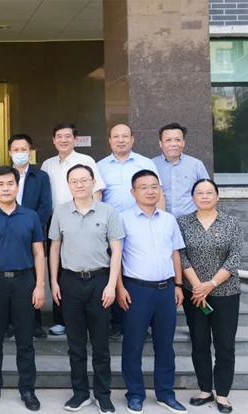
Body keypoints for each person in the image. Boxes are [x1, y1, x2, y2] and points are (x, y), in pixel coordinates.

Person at [48, 164, 123, 414]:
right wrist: (54, 281)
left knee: (101, 344)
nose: (79, 185)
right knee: (76, 344)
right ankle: (80, 394)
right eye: (74, 181)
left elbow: (116, 251)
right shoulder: (61, 212)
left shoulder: (108, 211)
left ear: (93, 182)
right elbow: (54, 249)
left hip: (100, 281)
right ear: (68, 185)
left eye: (84, 180)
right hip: (70, 281)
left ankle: (103, 395)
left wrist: (111, 285)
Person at [0, 166, 46, 412]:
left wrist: (40, 286)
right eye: (0, 184)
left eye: (10, 183)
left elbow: (39, 253)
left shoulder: (30, 216)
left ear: (17, 186)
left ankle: (27, 389)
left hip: (24, 282)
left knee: (25, 341)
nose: (5, 188)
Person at [116, 170, 187, 414]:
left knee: (165, 345)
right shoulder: (122, 219)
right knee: (133, 345)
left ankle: (166, 394)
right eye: (143, 187)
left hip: (166, 290)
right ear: (133, 191)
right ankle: (135, 394)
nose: (150, 191)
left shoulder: (169, 220)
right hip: (136, 290)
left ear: (160, 190)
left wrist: (178, 285)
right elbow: (116, 257)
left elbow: (175, 253)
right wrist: (119, 287)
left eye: (154, 186)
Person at [178, 179, 243, 414]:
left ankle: (222, 394)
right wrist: (198, 287)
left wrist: (211, 284)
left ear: (217, 196)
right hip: (194, 294)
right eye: (199, 192)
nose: (204, 196)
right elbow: (180, 256)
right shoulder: (183, 223)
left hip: (225, 292)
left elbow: (234, 257)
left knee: (225, 345)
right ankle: (205, 389)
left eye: (209, 192)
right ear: (193, 197)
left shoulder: (231, 223)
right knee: (200, 343)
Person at [98, 123, 164, 340]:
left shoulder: (145, 163)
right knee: (114, 272)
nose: (120, 140)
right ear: (110, 140)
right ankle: (117, 322)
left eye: (125, 136)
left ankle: (142, 322)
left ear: (132, 139)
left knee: (137, 274)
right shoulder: (100, 166)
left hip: (141, 225)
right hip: (110, 229)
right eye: (116, 136)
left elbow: (158, 193)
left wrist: (160, 222)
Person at [41, 123, 106, 336]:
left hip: (84, 221)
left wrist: (94, 217)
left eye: (68, 136)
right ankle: (61, 319)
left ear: (75, 139)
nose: (63, 140)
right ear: (53, 140)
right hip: (57, 222)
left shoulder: (86, 161)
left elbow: (97, 192)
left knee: (84, 270)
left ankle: (88, 319)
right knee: (60, 270)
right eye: (59, 136)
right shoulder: (48, 164)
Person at [7, 133, 52, 339]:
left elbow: (45, 206)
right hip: (7, 232)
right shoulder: (3, 175)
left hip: (32, 233)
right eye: (16, 150)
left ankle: (34, 323)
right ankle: (9, 323)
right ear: (10, 153)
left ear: (30, 152)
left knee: (32, 278)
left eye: (23, 150)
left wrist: (31, 226)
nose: (20, 153)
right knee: (7, 277)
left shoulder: (40, 177)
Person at [152, 122, 210, 218]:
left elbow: (208, 193)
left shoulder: (196, 165)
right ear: (161, 143)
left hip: (191, 221)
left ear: (183, 143)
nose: (173, 144)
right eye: (168, 140)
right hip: (161, 221)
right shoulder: (151, 165)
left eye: (178, 140)